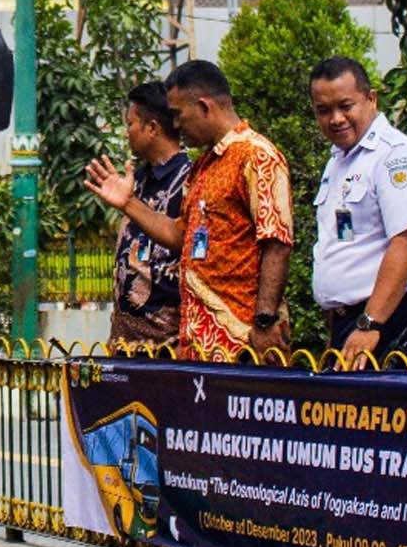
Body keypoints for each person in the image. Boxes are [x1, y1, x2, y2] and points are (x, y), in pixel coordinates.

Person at [85, 61, 292, 360]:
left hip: (244, 340)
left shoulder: (257, 156)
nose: (176, 124)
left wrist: (264, 321)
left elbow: (277, 242)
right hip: (201, 347)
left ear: (205, 107)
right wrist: (128, 203)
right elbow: (180, 236)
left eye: (178, 114)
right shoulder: (203, 166)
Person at [309, 58, 407, 367]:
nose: (336, 119)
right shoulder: (339, 161)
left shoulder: (397, 156)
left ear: (371, 99)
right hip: (354, 323)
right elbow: (348, 242)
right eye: (323, 110)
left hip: (390, 322)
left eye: (346, 106)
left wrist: (370, 323)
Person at [82, 83, 191, 348]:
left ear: (152, 128)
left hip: (169, 345)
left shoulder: (190, 180)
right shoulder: (137, 180)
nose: (126, 132)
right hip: (125, 344)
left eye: (130, 124)